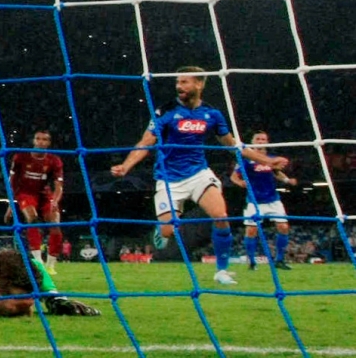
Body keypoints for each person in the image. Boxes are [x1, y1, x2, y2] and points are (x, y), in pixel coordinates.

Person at [111, 66, 289, 285]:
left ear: (199, 84)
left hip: (199, 174)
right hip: (169, 179)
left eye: (184, 82)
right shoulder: (165, 111)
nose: (179, 86)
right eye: (178, 82)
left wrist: (268, 161)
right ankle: (163, 228)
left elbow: (233, 145)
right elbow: (146, 141)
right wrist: (127, 165)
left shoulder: (212, 114)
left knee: (221, 217)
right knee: (168, 232)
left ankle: (221, 271)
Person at [230, 131, 297, 271]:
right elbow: (234, 177)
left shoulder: (271, 158)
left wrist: (287, 180)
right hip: (254, 201)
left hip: (273, 199)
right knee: (251, 231)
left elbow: (276, 172)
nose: (261, 141)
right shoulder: (245, 159)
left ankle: (279, 260)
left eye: (263, 139)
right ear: (253, 142)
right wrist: (240, 183)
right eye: (258, 139)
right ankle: (252, 262)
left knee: (284, 227)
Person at [4, 130, 64, 274]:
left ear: (48, 143)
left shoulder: (54, 160)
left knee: (55, 224)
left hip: (44, 193)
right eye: (38, 139)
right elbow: (11, 181)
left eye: (44, 139)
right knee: (32, 219)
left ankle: (51, 265)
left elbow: (59, 185)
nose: (40, 142)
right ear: (34, 141)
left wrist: (55, 201)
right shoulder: (20, 157)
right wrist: (11, 203)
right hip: (24, 193)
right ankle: (38, 261)